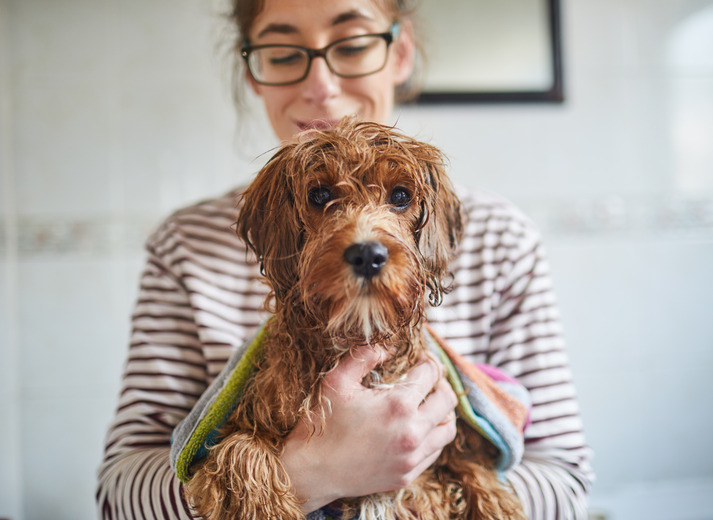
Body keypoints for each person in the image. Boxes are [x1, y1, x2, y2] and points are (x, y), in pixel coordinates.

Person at [96, 0, 594, 518]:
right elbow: (118, 492)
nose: (322, 85)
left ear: (399, 53)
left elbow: (564, 478)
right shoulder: (184, 246)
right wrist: (309, 477)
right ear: (253, 72)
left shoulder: (501, 239)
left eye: (352, 45)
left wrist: (413, 502)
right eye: (284, 52)